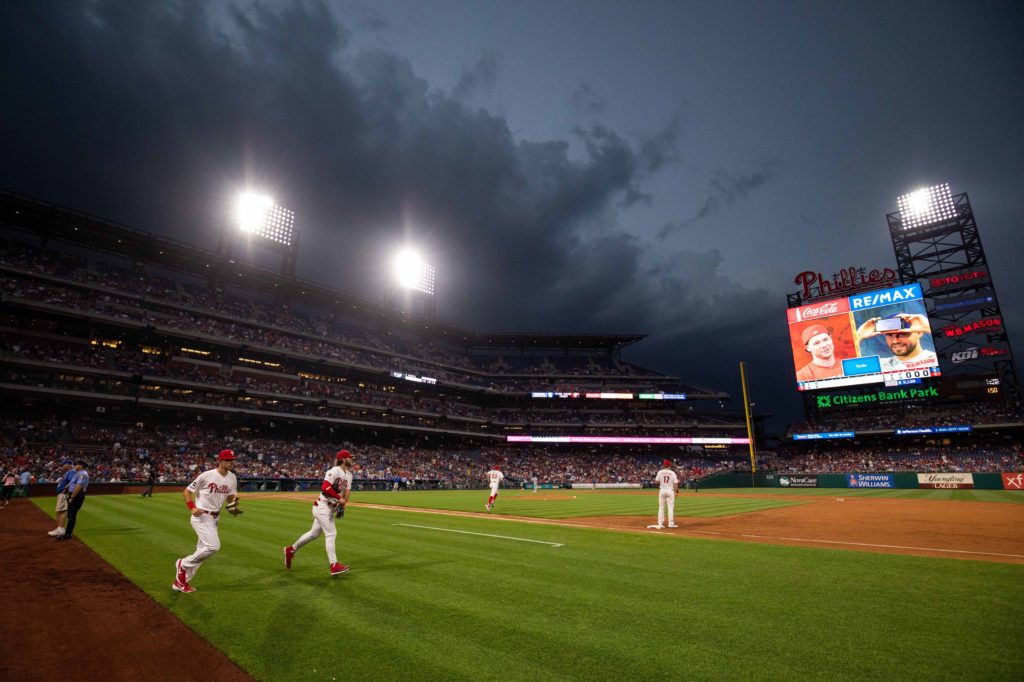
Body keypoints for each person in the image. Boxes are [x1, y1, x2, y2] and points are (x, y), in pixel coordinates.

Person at [173, 449, 242, 593]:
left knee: (201, 552)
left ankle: (180, 582)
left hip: (215, 518)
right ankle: (183, 564)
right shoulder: (207, 475)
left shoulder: (232, 477)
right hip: (201, 516)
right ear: (220, 461)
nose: (231, 462)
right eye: (228, 460)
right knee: (213, 546)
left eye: (232, 460)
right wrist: (192, 507)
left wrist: (233, 504)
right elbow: (187, 491)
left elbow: (230, 496)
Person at [284, 449, 354, 576]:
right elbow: (325, 488)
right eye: (349, 457)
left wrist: (343, 505)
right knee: (331, 534)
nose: (352, 459)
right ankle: (334, 565)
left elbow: (346, 492)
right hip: (322, 506)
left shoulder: (349, 475)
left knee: (314, 534)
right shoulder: (334, 471)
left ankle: (290, 550)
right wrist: (339, 498)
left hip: (330, 508)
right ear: (343, 459)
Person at [856, 313, 937, 371]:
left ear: (919, 332)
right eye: (889, 335)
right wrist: (858, 336)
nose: (895, 341)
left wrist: (929, 327)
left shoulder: (935, 359)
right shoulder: (879, 365)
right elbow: (848, 371)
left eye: (902, 334)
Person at [58, 460, 89, 541]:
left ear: (81, 466)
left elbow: (79, 486)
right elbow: (72, 482)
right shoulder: (78, 473)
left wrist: (72, 497)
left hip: (77, 495)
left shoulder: (82, 474)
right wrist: (66, 487)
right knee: (70, 514)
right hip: (74, 494)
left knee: (72, 514)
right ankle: (68, 533)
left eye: (76, 464)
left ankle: (68, 534)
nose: (75, 466)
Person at [647, 459, 679, 530]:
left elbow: (656, 482)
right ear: (670, 465)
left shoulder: (660, 472)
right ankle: (671, 524)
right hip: (670, 491)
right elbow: (676, 483)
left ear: (664, 465)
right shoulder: (672, 473)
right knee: (670, 508)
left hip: (662, 490)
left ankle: (660, 523)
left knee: (661, 507)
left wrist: (662, 482)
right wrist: (676, 491)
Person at [48, 459, 76, 536]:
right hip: (61, 493)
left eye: (63, 464)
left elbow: (73, 481)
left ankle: (61, 529)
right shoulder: (69, 472)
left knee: (62, 511)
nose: (62, 466)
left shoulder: (71, 472)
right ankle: (59, 528)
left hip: (64, 494)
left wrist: (65, 489)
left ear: (68, 464)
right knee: (59, 511)